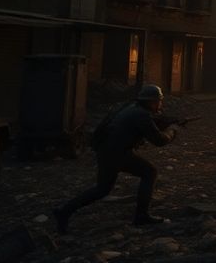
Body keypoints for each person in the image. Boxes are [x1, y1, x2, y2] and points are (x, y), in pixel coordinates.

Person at [54, 84, 179, 230]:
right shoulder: (142, 115)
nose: (160, 104)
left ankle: (64, 210)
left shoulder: (130, 108)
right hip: (118, 153)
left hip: (106, 151)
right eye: (159, 101)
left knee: (102, 189)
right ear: (152, 101)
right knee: (150, 173)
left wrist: (162, 125)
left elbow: (143, 128)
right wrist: (172, 131)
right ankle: (141, 216)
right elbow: (159, 141)